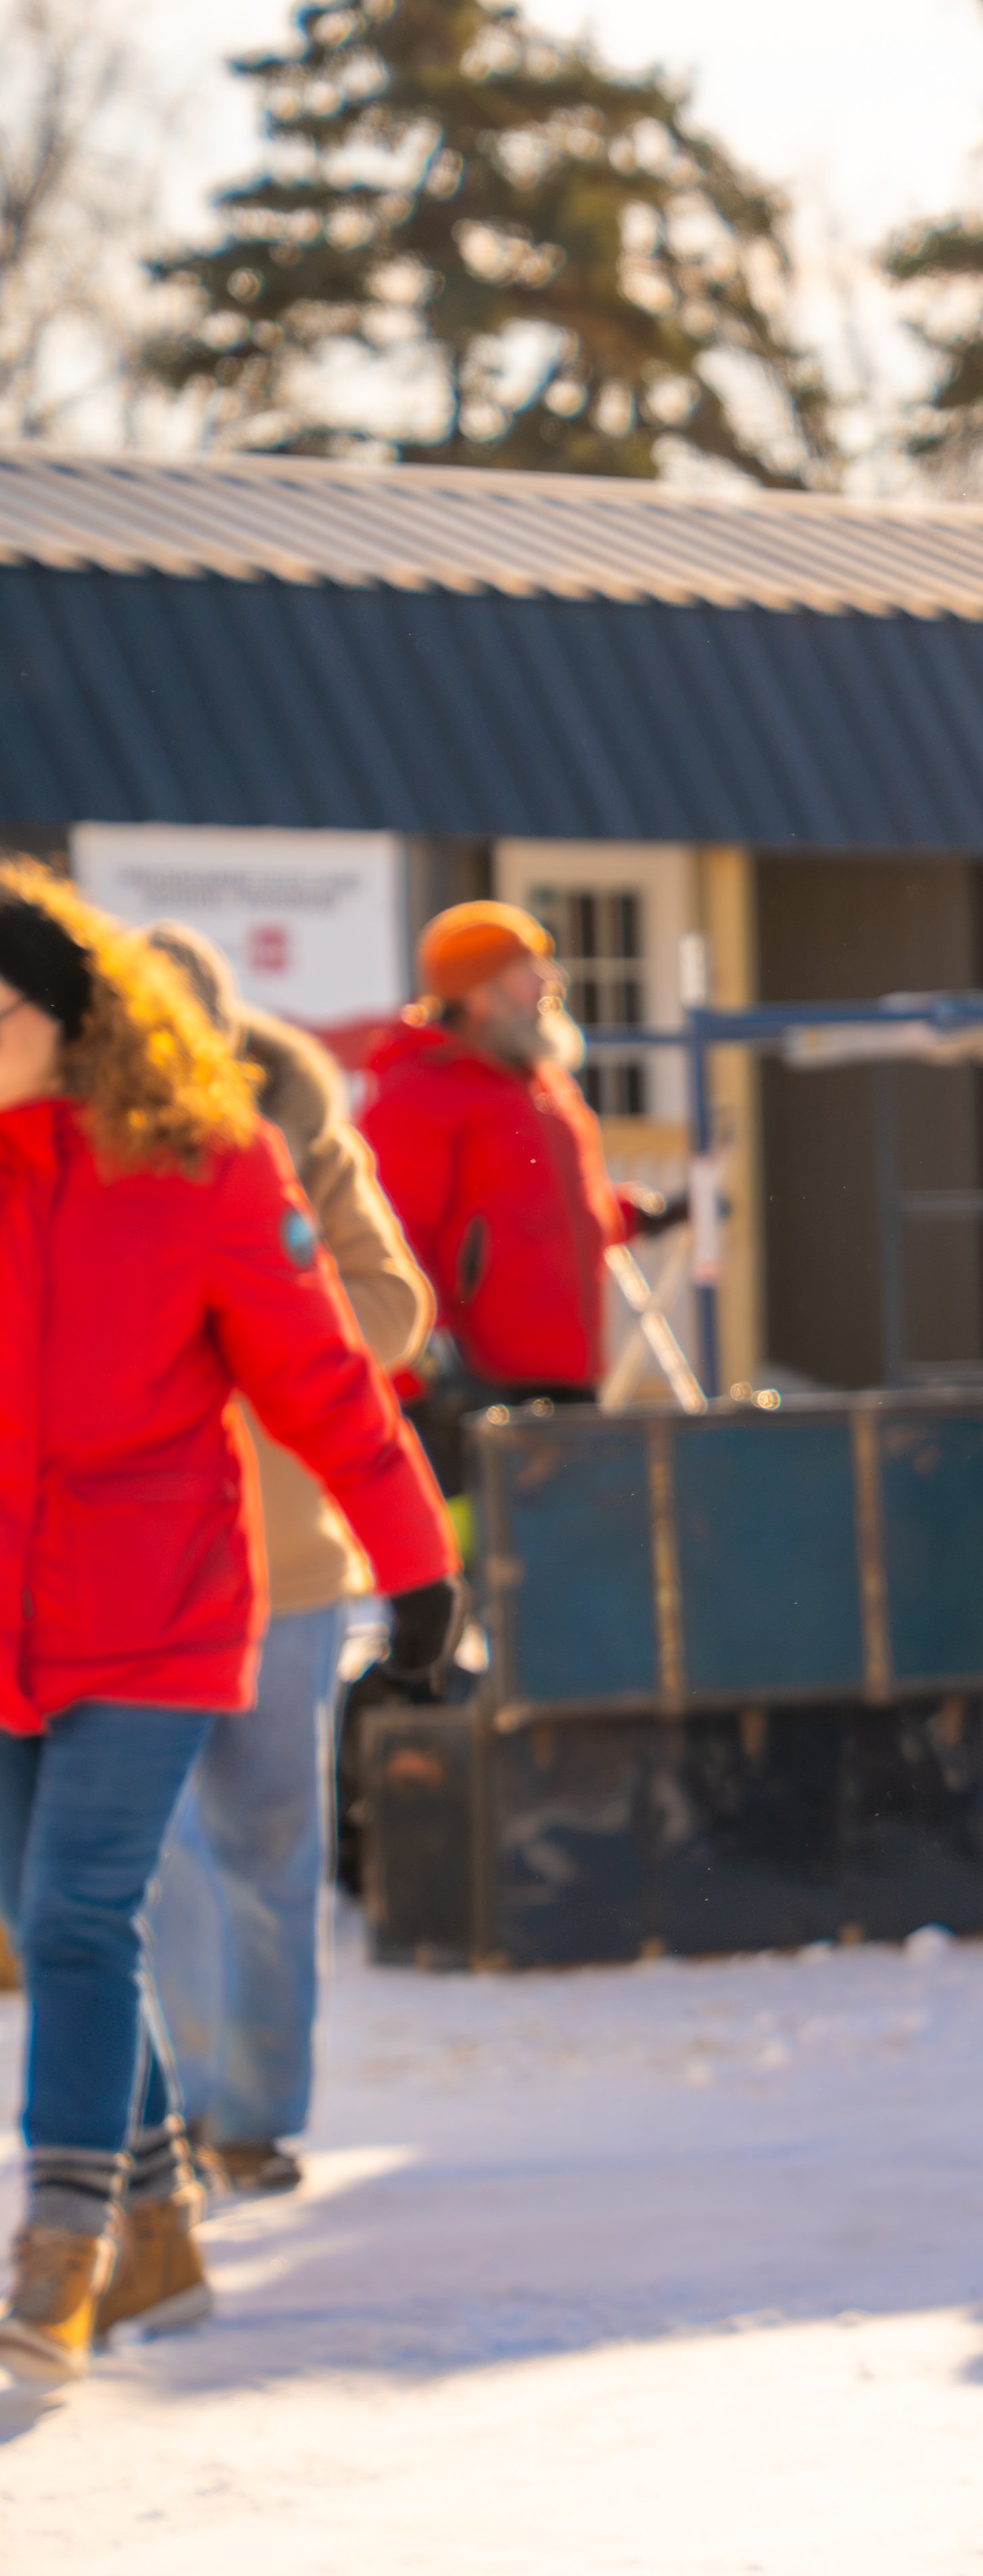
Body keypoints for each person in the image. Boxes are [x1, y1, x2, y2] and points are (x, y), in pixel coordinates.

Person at [0, 865, 454, 2390]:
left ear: (74, 1022)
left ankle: (57, 2239)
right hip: (5, 1620)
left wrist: (418, 1564)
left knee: (78, 1910)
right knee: (45, 1917)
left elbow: (328, 1378)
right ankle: (159, 2227)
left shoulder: (205, 1162)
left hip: (162, 1602)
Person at [135, 928, 433, 2201]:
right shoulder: (62, 1146)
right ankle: (186, 2105)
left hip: (287, 1553)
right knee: (153, 1853)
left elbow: (395, 1304)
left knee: (267, 1838)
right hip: (130, 1558)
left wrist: (264, 1317)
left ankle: (250, 2118)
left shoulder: (303, 1128)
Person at [358, 902, 677, 1470]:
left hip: (568, 1374)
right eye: (527, 969)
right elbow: (391, 1237)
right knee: (487, 1554)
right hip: (477, 1393)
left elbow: (542, 1214)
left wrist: (636, 1216)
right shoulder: (420, 1092)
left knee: (570, 1550)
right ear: (480, 992)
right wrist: (428, 1365)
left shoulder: (541, 1082)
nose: (550, 983)